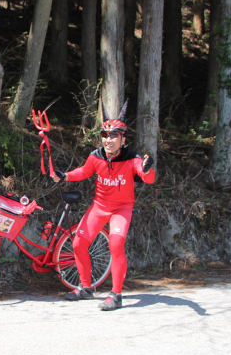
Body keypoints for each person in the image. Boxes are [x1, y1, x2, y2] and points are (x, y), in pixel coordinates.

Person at [53, 101, 155, 311]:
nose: (108, 140)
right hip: (99, 206)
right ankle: (86, 288)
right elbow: (84, 171)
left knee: (116, 245)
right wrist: (65, 176)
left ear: (123, 139)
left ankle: (116, 295)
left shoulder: (132, 159)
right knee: (79, 244)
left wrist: (147, 169)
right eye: (105, 135)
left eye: (114, 135)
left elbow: (148, 179)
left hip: (121, 209)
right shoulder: (96, 156)